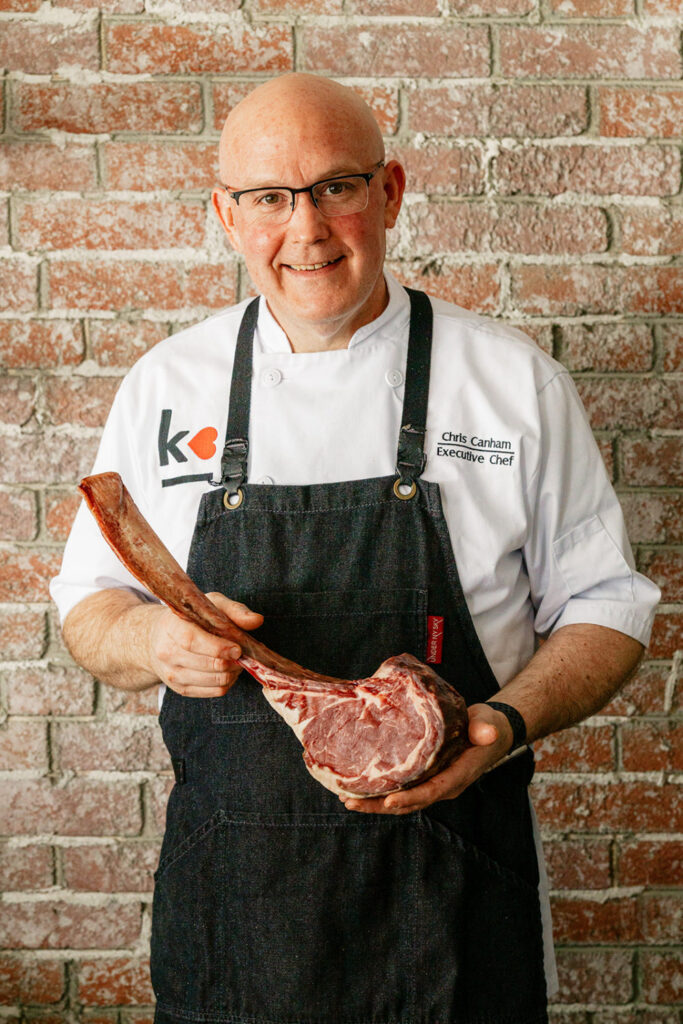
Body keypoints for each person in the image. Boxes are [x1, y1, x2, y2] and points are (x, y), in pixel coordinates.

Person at [51, 73, 660, 1024]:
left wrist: (497, 726)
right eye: (267, 197)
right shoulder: (166, 385)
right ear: (225, 213)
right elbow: (91, 605)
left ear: (391, 192)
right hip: (236, 914)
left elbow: (606, 607)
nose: (306, 230)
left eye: (336, 186)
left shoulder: (510, 382)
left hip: (451, 899)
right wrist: (152, 648)